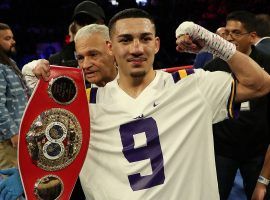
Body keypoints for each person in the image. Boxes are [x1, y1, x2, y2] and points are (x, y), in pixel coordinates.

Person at [4, 8, 270, 200]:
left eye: (144, 39)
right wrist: (35, 83)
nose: (136, 48)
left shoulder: (192, 84)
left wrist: (215, 43)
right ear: (112, 47)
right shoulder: (85, 106)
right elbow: (44, 151)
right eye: (125, 40)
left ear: (156, 44)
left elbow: (260, 83)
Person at [204, 10, 270, 200]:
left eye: (236, 33)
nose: (230, 38)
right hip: (223, 149)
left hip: (257, 150)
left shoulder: (267, 63)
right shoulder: (213, 66)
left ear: (252, 37)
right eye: (227, 32)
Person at [0, 23, 30, 170]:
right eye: (7, 38)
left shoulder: (10, 63)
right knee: (8, 187)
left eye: (12, 37)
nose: (13, 41)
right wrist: (12, 134)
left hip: (20, 136)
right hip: (8, 141)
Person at [48, 0, 105, 67]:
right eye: (81, 22)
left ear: (103, 26)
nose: (86, 27)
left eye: (90, 22)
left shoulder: (113, 54)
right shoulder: (57, 60)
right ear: (74, 27)